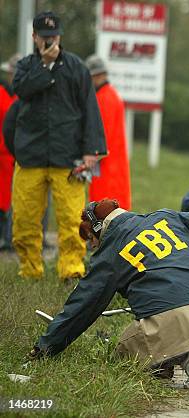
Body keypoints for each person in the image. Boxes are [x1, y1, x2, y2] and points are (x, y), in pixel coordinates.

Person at [28, 198, 189, 389]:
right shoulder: (167, 216)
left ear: (98, 228)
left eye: (91, 239)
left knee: (121, 354)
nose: (93, 246)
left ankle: (188, 355)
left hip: (177, 317)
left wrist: (45, 348)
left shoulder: (110, 251)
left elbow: (82, 307)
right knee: (169, 328)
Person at [11, 11, 106, 280]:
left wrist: (92, 150)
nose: (49, 42)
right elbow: (22, 91)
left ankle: (72, 269)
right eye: (44, 38)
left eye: (53, 37)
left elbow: (90, 108)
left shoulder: (77, 68)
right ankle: (29, 270)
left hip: (69, 157)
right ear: (34, 37)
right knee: (25, 220)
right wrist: (44, 66)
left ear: (60, 36)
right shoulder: (26, 66)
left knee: (72, 219)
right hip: (30, 156)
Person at [85, 55, 131, 210]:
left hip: (107, 169)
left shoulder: (104, 98)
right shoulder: (108, 95)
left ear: (97, 76)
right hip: (110, 168)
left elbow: (101, 136)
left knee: (105, 214)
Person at [0, 53, 20, 250]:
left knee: (15, 199)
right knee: (2, 198)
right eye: (11, 73)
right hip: (2, 155)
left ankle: (10, 238)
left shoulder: (23, 95)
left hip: (17, 155)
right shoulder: (1, 93)